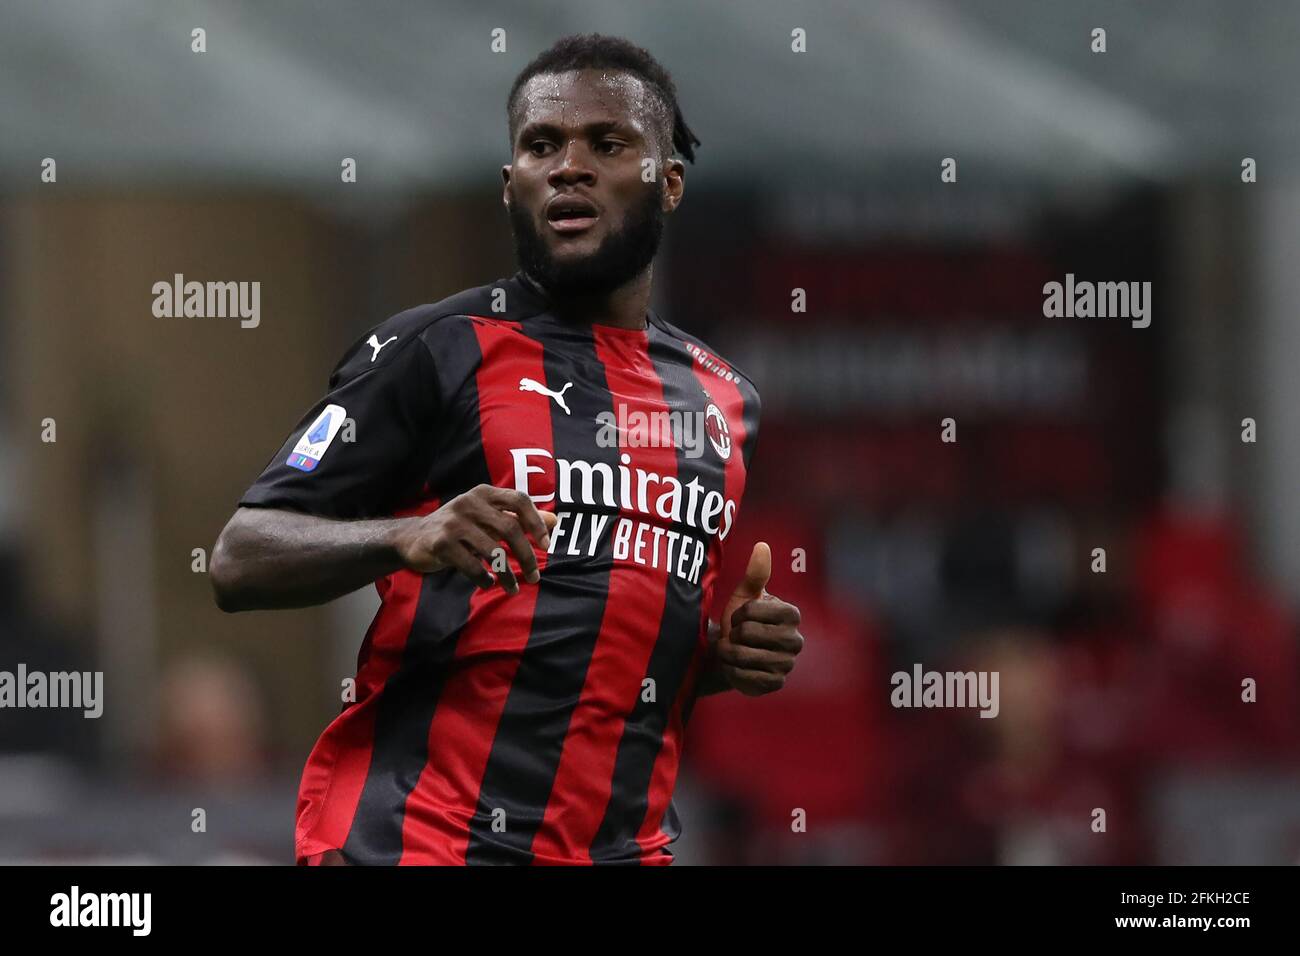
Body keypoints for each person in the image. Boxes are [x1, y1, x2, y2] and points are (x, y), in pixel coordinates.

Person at [211, 33, 804, 865]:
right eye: (541, 146)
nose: (568, 166)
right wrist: (403, 537)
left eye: (607, 144)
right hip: (420, 842)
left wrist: (723, 654)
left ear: (667, 182)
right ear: (510, 185)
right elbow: (238, 559)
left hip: (621, 849)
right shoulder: (437, 349)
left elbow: (613, 652)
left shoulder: (723, 401)